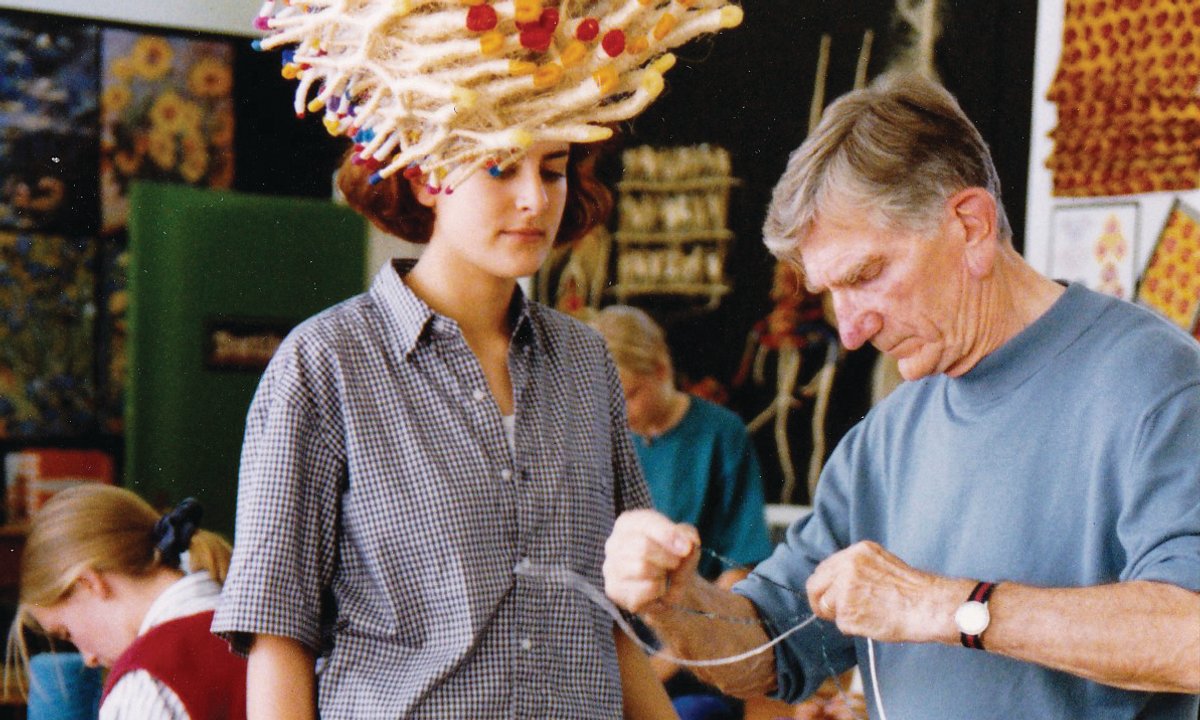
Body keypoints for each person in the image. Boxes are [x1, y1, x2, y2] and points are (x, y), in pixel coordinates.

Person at [602, 72, 1200, 718]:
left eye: (867, 275)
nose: (852, 330)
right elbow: (770, 648)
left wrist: (945, 607)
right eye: (832, 293)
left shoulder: (1155, 382)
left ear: (970, 225)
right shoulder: (886, 439)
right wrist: (674, 599)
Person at [590, 304, 773, 719]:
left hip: (695, 653)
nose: (623, 415)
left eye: (630, 395)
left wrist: (672, 657)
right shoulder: (603, 439)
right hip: (616, 654)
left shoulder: (720, 434)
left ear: (661, 369)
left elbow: (738, 570)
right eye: (609, 404)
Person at [5, 485, 243, 719]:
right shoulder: (246, 625)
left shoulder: (145, 685)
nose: (89, 659)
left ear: (88, 583)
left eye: (67, 633)